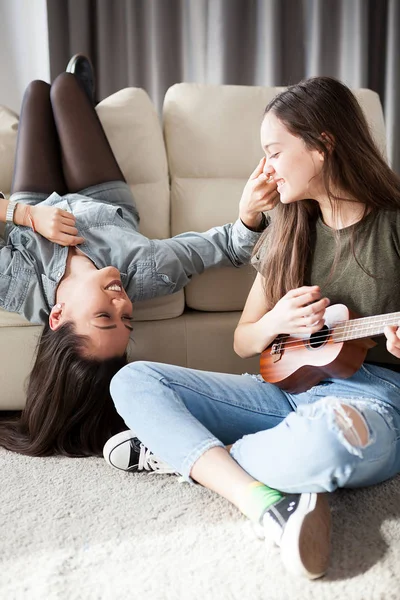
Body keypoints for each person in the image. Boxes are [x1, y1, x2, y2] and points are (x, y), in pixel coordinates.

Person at [104, 76, 400, 580]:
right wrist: (277, 322)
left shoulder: (392, 225)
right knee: (132, 381)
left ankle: (193, 456)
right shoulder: (289, 227)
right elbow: (244, 341)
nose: (264, 169)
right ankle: (261, 496)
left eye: (274, 152)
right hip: (282, 396)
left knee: (327, 442)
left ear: (324, 145)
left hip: (373, 401)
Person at [0, 55, 274, 457]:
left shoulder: (15, 285)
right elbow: (229, 244)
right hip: (100, 198)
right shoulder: (148, 270)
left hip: (33, 204)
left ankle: (64, 96)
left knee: (37, 93)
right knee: (63, 87)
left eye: (104, 315)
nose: (121, 300)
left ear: (56, 316)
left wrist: (25, 214)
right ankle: (78, 92)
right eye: (126, 317)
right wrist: (250, 215)